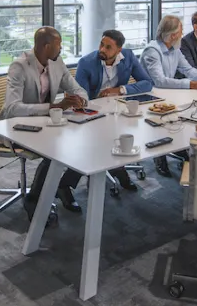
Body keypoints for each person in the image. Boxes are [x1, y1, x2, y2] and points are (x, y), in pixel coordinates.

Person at [0, 27, 89, 217]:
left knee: (86, 139)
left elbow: (77, 89)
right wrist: (53, 108)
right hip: (18, 127)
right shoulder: (19, 66)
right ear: (46, 46)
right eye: (58, 45)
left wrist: (80, 99)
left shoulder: (57, 63)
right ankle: (34, 201)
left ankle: (64, 186)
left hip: (49, 124)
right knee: (55, 150)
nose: (61, 48)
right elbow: (12, 108)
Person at [55, 30, 153, 194]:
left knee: (119, 137)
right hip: (91, 112)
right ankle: (66, 186)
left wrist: (119, 90)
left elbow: (147, 83)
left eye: (108, 47)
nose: (102, 49)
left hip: (116, 110)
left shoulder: (128, 57)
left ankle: (114, 172)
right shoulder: (87, 62)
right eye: (102, 44)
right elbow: (81, 96)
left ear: (119, 50)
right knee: (94, 144)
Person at [141, 15, 197, 176]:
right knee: (166, 120)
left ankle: (178, 146)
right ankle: (159, 156)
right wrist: (191, 84)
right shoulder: (152, 51)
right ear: (172, 35)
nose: (182, 35)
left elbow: (187, 69)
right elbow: (159, 81)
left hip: (168, 93)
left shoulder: (175, 49)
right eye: (180, 32)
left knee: (186, 114)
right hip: (152, 96)